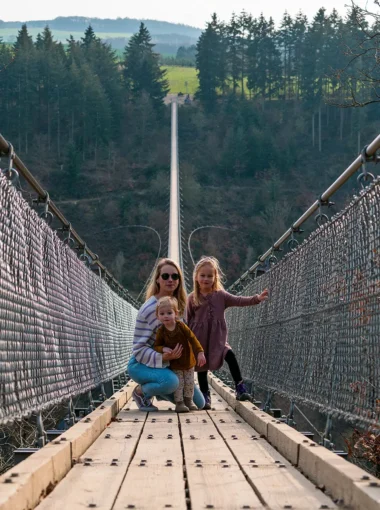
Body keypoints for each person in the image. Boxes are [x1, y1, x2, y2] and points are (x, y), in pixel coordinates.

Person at [186, 256, 269, 410]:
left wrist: (256, 298)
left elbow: (238, 300)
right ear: (196, 277)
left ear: (215, 277)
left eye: (210, 276)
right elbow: (186, 322)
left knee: (229, 355)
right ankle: (205, 395)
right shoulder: (192, 298)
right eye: (202, 275)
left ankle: (240, 388)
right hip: (199, 339)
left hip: (217, 338)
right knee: (202, 369)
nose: (206, 279)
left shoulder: (221, 295)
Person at [128, 258, 205, 411]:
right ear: (157, 279)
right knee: (172, 383)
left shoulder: (179, 306)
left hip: (170, 365)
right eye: (165, 276)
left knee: (200, 403)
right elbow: (138, 349)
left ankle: (162, 389)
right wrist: (162, 357)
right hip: (141, 364)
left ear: (179, 280)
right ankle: (140, 392)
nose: (170, 280)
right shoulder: (150, 308)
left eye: (175, 276)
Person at [153, 296, 206, 413]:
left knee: (190, 383)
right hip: (176, 364)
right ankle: (179, 403)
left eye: (169, 313)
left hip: (188, 361)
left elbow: (192, 338)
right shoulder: (161, 331)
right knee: (179, 384)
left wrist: (200, 352)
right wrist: (163, 349)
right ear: (157, 316)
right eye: (162, 313)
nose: (165, 316)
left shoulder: (181, 326)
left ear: (175, 314)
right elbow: (156, 346)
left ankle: (189, 401)